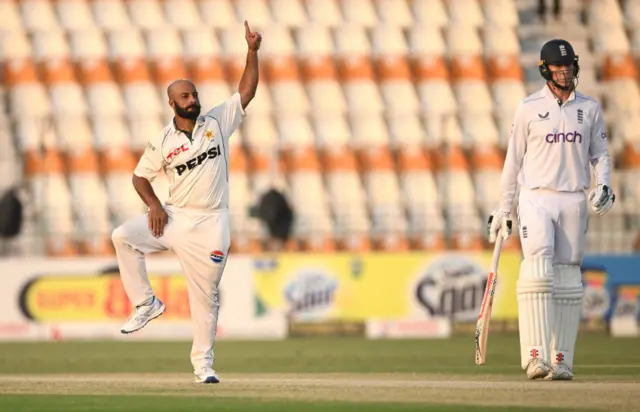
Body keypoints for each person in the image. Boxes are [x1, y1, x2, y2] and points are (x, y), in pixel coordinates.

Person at [111, 21, 262, 384]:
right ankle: (146, 303)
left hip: (212, 223)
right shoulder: (162, 141)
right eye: (185, 97)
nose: (193, 100)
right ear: (172, 104)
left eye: (194, 95)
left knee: (205, 298)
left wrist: (252, 53)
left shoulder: (216, 123)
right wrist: (154, 206)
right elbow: (139, 177)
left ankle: (203, 367)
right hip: (174, 217)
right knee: (122, 236)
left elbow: (246, 92)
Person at [487, 39, 615, 381]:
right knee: (538, 270)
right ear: (546, 71)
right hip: (536, 198)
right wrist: (504, 209)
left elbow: (600, 154)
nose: (566, 73)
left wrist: (602, 184)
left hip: (573, 198)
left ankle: (561, 360)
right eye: (559, 68)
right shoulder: (528, 107)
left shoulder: (589, 108)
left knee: (569, 278)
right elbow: (512, 162)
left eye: (569, 67)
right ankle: (534, 356)